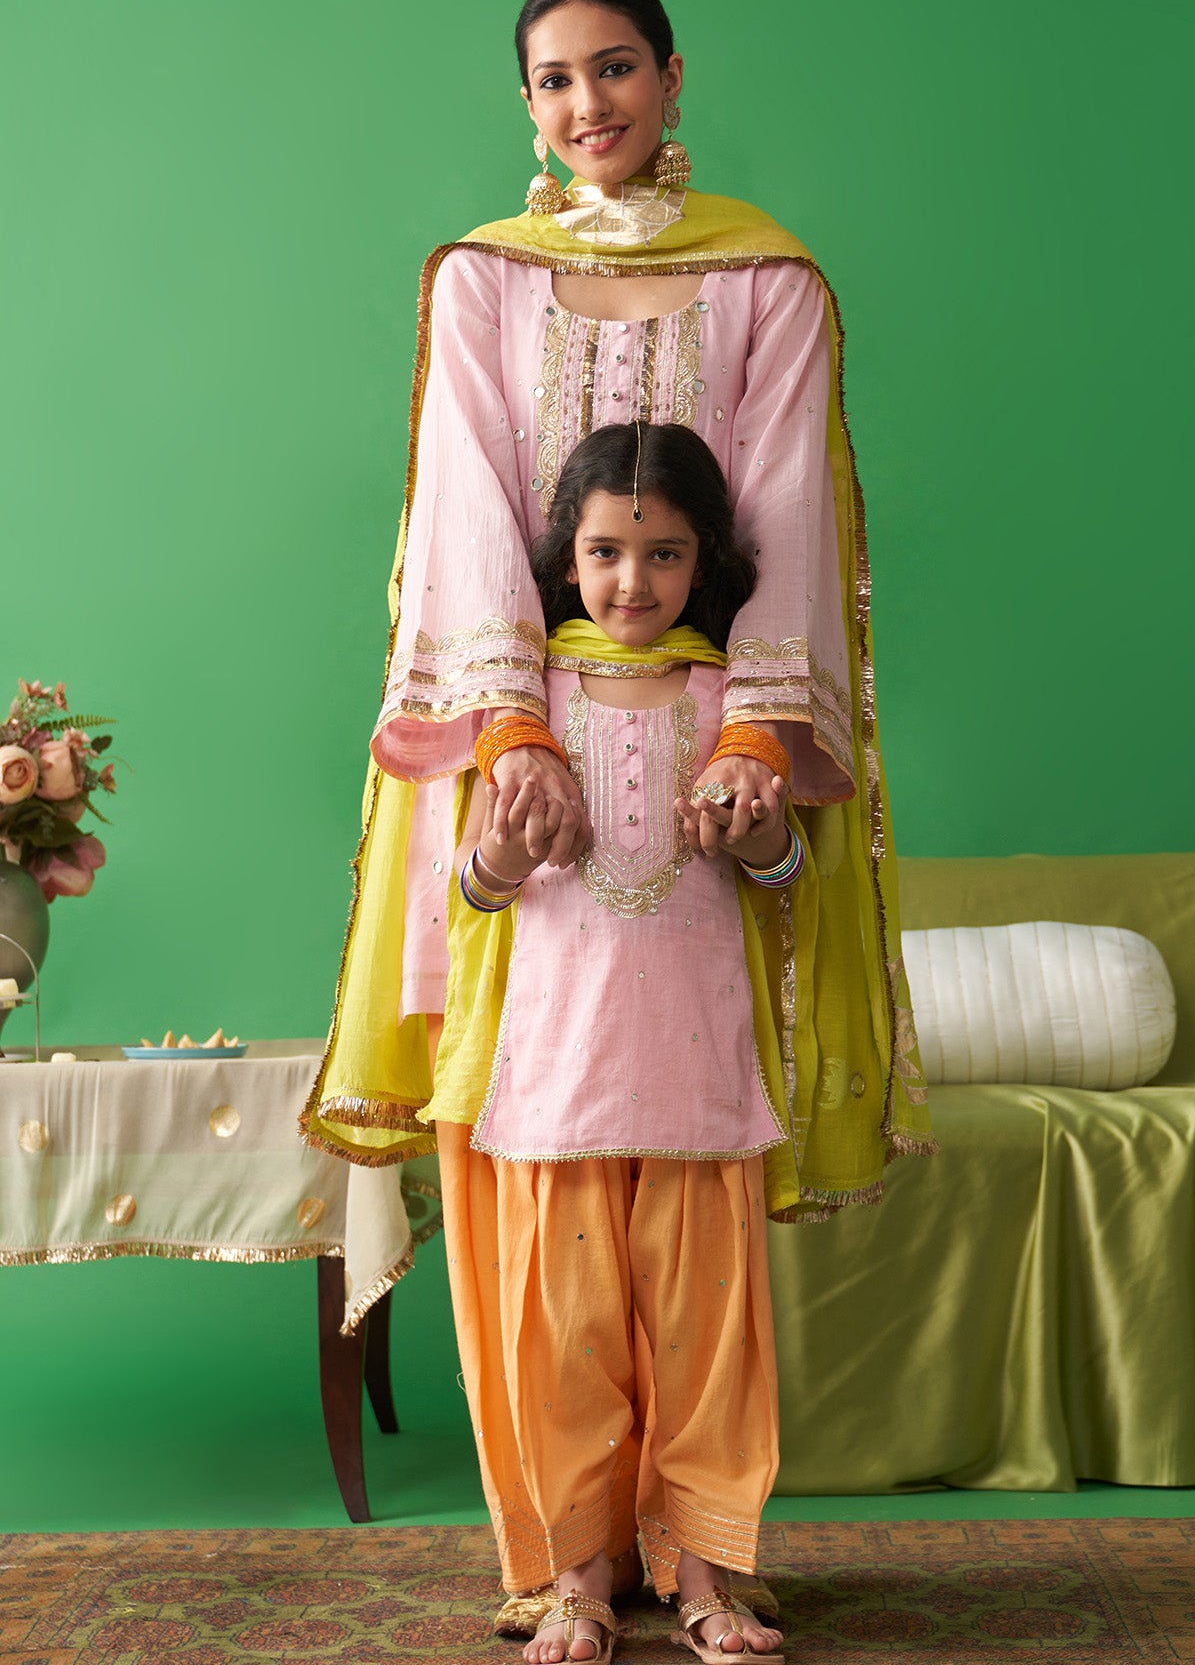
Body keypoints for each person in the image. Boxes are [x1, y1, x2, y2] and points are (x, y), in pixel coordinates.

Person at [301, 0, 934, 1638]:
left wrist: (757, 744)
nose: (589, 104)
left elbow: (779, 516)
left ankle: (702, 1547)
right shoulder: (483, 281)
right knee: (543, 1192)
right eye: (555, 80)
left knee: (698, 1225)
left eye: (617, 68)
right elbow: (461, 513)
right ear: (527, 105)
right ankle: (572, 1551)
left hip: (712, 761)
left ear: (672, 75)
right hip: (523, 767)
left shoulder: (768, 278)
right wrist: (512, 736)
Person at [440, 418, 792, 1663]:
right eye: (605, 552)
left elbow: (784, 875)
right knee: (568, 1335)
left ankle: (705, 1571)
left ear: (707, 562)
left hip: (697, 1065)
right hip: (560, 1071)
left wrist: (757, 835)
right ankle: (578, 1575)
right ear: (566, 558)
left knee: (707, 1340)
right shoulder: (520, 709)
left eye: (664, 553)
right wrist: (501, 851)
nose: (632, 581)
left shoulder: (735, 701)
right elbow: (470, 893)